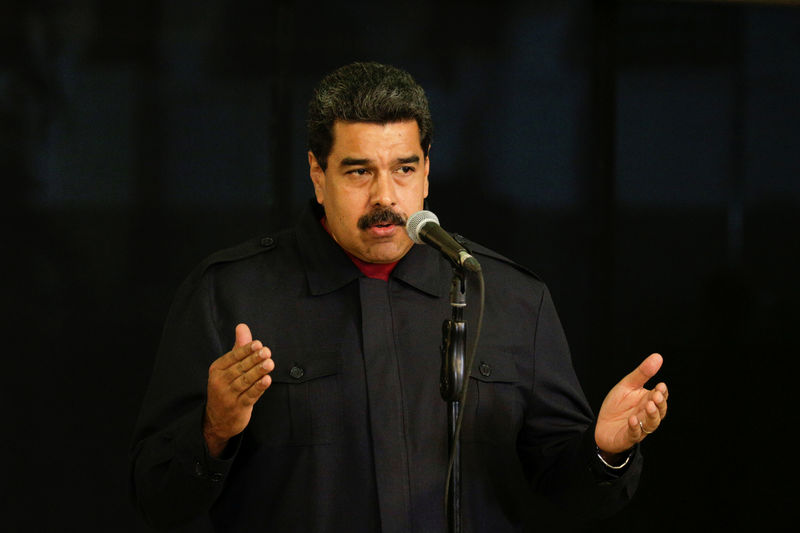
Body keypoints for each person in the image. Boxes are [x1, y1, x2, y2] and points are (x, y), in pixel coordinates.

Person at [130, 62, 668, 532]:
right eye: (359, 171)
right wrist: (214, 430)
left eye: (403, 169)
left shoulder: (505, 296)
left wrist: (604, 451)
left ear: (427, 171)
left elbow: (565, 492)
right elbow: (157, 501)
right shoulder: (231, 294)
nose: (386, 196)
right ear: (318, 175)